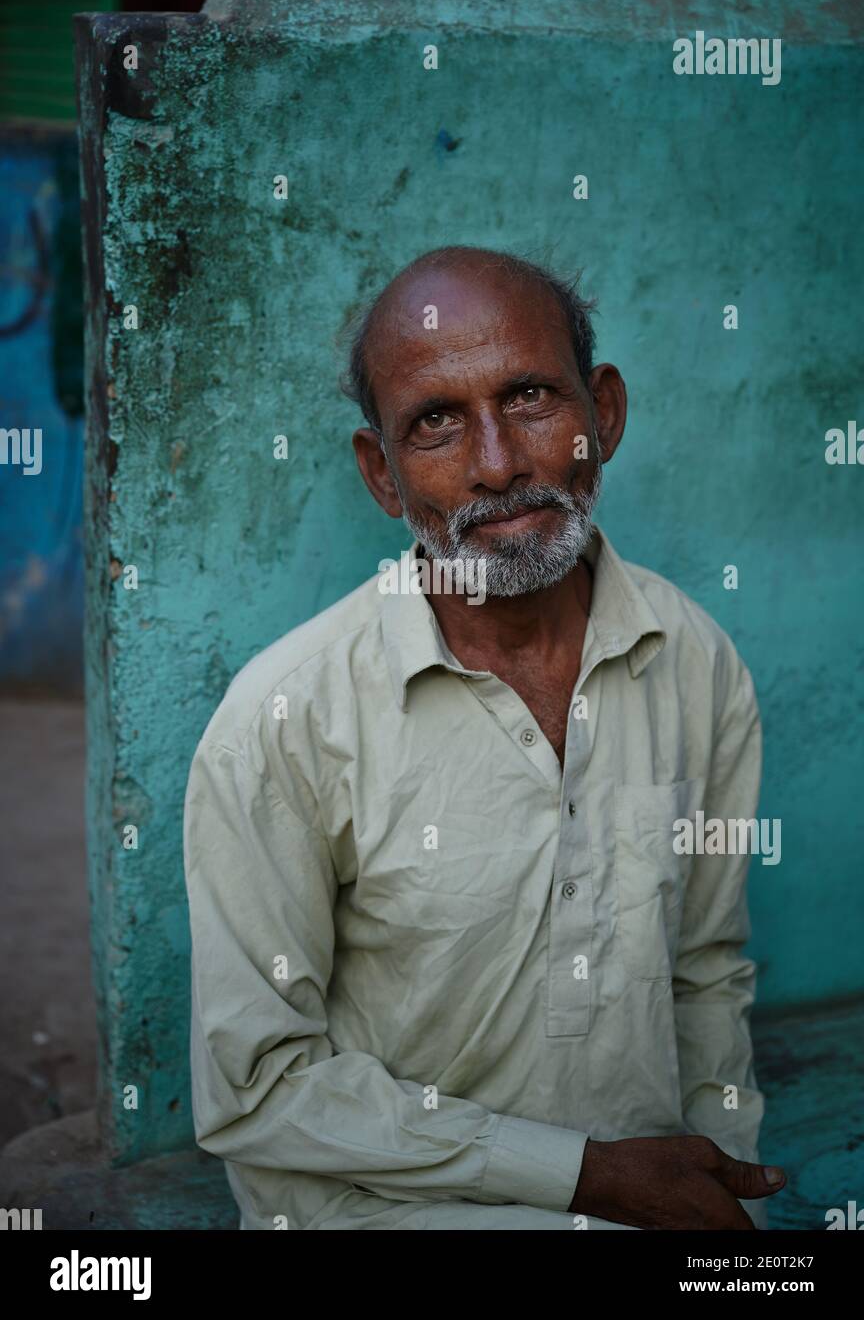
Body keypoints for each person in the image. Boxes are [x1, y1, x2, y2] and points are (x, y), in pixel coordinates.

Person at [183, 244, 786, 1230]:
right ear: (382, 474)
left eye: (533, 399)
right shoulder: (281, 724)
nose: (498, 464)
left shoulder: (696, 662)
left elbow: (705, 968)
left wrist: (724, 1186)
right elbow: (260, 1087)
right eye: (436, 422)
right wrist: (586, 1176)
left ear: (605, 416)